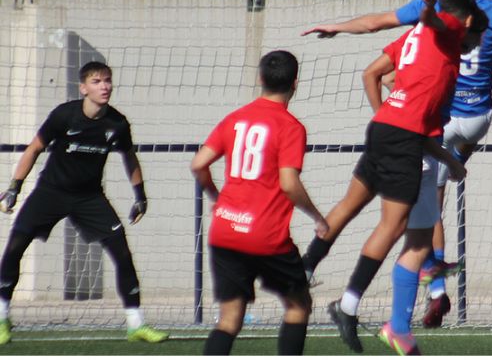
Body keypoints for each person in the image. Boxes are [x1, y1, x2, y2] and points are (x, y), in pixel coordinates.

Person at [303, 0, 492, 327]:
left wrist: (336, 26)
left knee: (412, 203)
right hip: (469, 119)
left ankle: (417, 281)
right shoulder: (485, 16)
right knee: (416, 212)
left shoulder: (431, 17)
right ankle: (417, 283)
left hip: (412, 123)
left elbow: (377, 28)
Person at [303, 0, 486, 353]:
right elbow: (434, 20)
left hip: (387, 128)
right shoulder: (448, 27)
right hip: (403, 140)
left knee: (350, 205)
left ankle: (304, 269)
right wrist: (430, 9)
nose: (472, 48)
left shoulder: (414, 38)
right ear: (466, 24)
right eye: (475, 39)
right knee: (395, 227)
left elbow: (374, 26)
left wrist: (337, 27)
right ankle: (348, 306)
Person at [0, 61, 167, 345]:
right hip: (50, 192)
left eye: (107, 81)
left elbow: (129, 158)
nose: (104, 86)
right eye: (97, 81)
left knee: (122, 252)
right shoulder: (64, 115)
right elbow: (35, 148)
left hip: (89, 197)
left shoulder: (117, 123)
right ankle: (2, 317)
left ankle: (135, 324)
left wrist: (140, 196)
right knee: (15, 245)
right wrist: (15, 187)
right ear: (83, 88)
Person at [189, 50, 328, 355]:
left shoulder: (235, 118)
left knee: (229, 319)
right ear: (296, 83)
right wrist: (318, 217)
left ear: (260, 79)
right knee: (298, 305)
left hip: (225, 230)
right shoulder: (291, 127)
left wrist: (217, 197)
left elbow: (199, 164)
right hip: (266, 236)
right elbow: (289, 184)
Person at [359, 32, 469, 355]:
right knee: (401, 236)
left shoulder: (444, 69)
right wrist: (388, 118)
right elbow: (384, 80)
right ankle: (390, 319)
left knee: (418, 245)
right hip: (414, 160)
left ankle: (402, 323)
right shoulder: (434, 71)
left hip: (421, 157)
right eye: (468, 41)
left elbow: (391, 82)